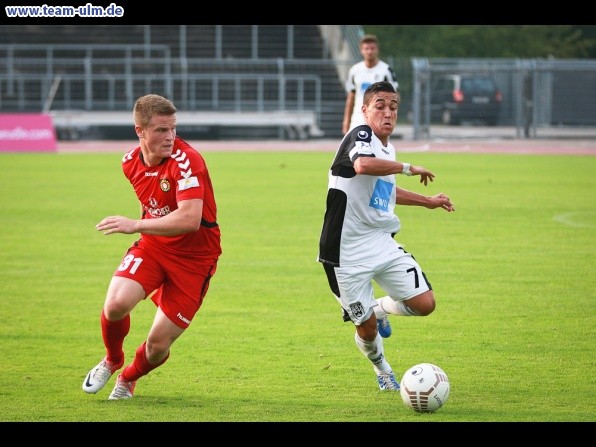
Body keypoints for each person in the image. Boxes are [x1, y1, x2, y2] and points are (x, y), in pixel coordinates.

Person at [82, 94, 222, 400]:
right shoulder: (129, 163)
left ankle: (128, 377)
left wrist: (135, 224)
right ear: (140, 131)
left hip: (195, 260)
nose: (170, 137)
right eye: (161, 130)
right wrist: (143, 228)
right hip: (155, 248)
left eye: (173, 128)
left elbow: (189, 219)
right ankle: (112, 359)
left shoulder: (188, 161)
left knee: (158, 346)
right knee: (115, 304)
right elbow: (155, 204)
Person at [318, 81, 455, 391]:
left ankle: (379, 309)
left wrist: (428, 201)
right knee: (365, 328)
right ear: (364, 111)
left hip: (380, 241)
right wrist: (408, 167)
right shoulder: (360, 135)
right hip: (344, 251)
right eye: (379, 105)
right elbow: (363, 165)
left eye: (393, 106)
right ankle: (383, 371)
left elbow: (387, 192)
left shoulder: (387, 149)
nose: (388, 112)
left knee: (425, 303)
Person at [342, 34, 399, 135]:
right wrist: (346, 121)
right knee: (355, 149)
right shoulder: (355, 70)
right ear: (361, 50)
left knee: (378, 149)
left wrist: (390, 115)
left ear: (377, 50)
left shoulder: (386, 71)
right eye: (366, 48)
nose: (369, 51)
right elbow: (351, 97)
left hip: (378, 118)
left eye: (372, 48)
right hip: (358, 118)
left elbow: (395, 97)